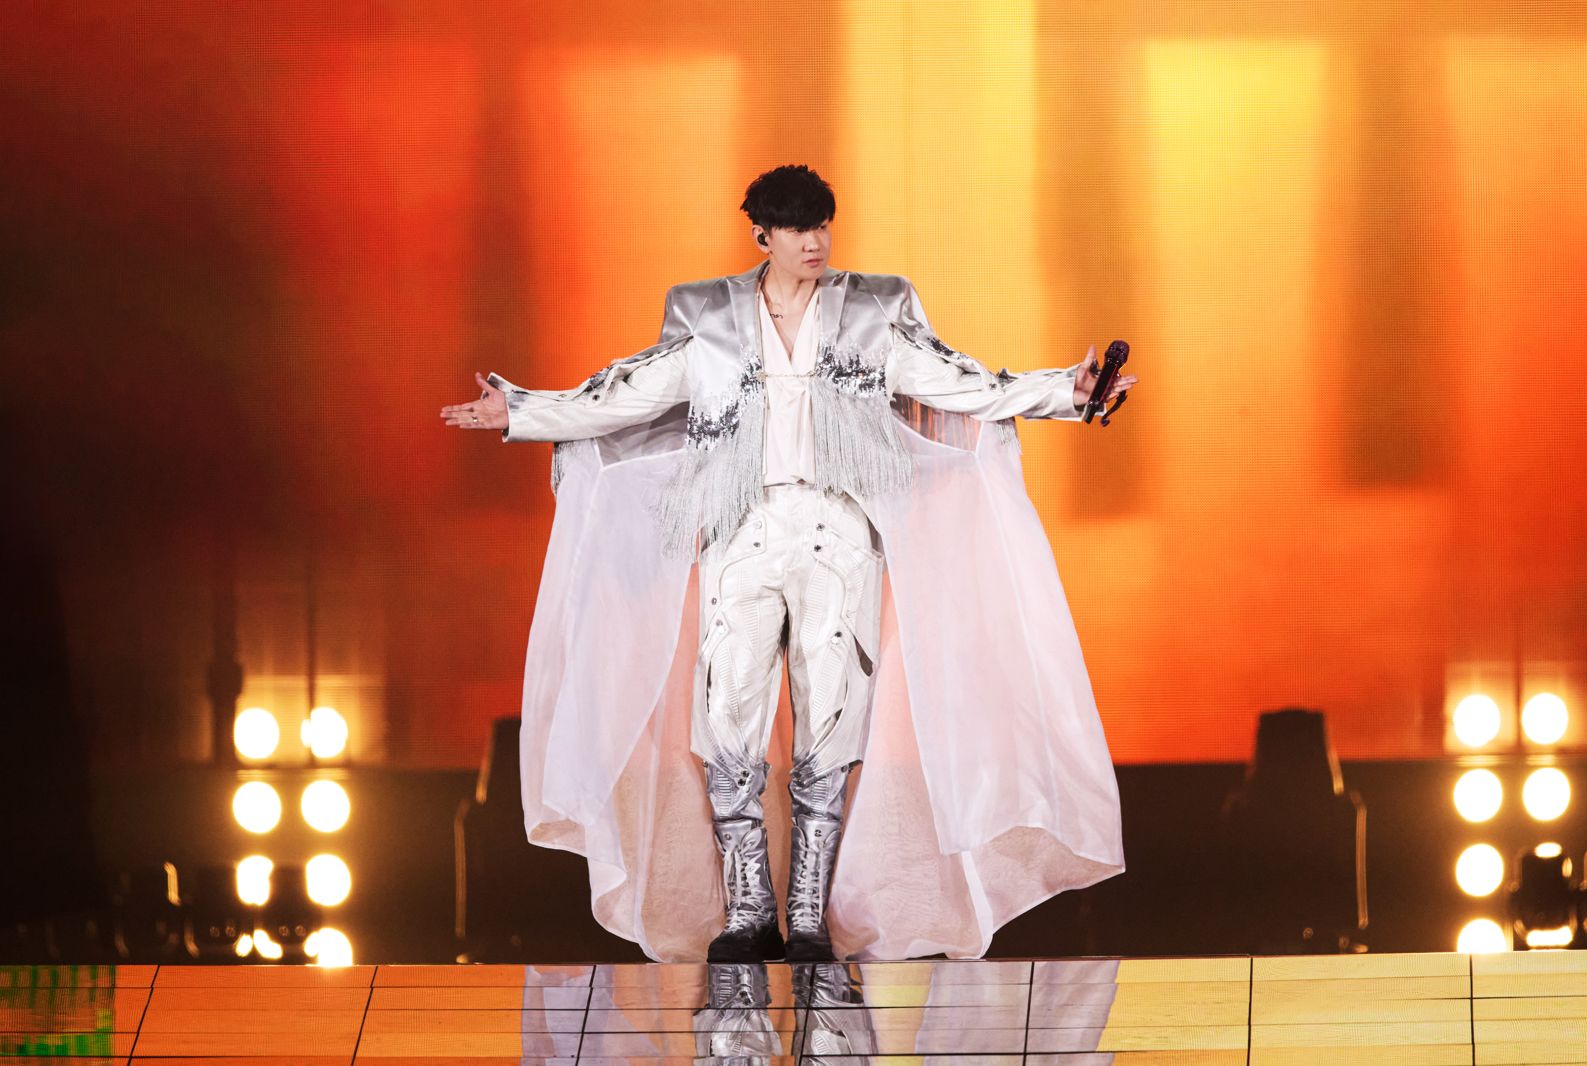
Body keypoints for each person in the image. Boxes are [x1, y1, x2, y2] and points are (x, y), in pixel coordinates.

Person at [441, 164, 1134, 963]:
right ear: (762, 235)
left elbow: (961, 381)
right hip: (741, 531)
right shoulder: (708, 316)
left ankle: (806, 916)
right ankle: (747, 913)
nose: (815, 242)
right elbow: (625, 392)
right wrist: (521, 409)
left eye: (822, 226)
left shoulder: (873, 310)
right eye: (799, 229)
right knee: (728, 716)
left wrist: (1068, 392)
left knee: (830, 720)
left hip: (838, 531)